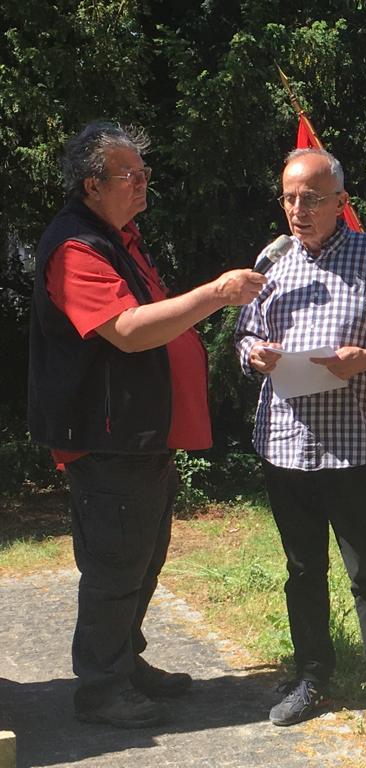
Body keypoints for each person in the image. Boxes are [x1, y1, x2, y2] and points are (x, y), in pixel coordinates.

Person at [27, 121, 266, 728]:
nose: (143, 185)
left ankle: (125, 662)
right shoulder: (75, 248)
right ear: (91, 185)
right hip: (108, 439)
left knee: (143, 556)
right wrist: (216, 292)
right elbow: (130, 332)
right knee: (115, 565)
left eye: (144, 173)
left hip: (140, 436)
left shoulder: (119, 239)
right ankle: (102, 688)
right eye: (130, 175)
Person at [234, 148, 366, 737]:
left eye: (312, 199)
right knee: (302, 570)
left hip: (351, 446)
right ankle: (311, 678)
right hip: (285, 444)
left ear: (341, 203)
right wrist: (256, 354)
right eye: (290, 198)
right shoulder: (271, 261)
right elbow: (244, 336)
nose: (299, 210)